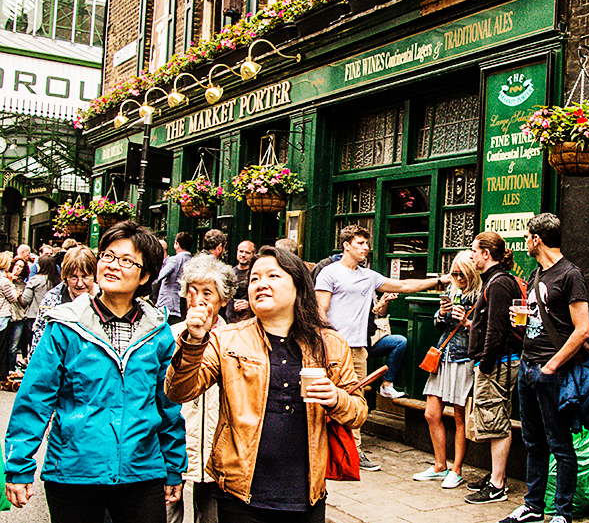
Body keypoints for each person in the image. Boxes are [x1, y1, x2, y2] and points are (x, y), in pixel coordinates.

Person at [166, 246, 368, 523]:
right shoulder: (226, 340)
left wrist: (335, 398)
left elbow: (358, 413)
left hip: (307, 495)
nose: (260, 284)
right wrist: (193, 343)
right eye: (254, 279)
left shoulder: (330, 345)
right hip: (240, 494)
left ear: (298, 285)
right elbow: (179, 391)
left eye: (272, 276)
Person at [4, 221, 187, 523]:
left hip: (141, 471)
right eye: (108, 256)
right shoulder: (65, 325)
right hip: (75, 471)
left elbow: (167, 404)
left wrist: (173, 466)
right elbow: (35, 398)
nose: (113, 266)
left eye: (127, 261)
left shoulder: (157, 332)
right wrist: (19, 466)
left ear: (145, 276)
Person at [314, 224, 450, 471]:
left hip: (358, 349)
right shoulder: (329, 273)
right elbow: (320, 309)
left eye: (367, 243)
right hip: (332, 348)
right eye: (360, 243)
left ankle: (354, 452)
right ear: (346, 245)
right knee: (326, 398)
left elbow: (405, 286)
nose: (366, 248)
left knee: (356, 398)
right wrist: (325, 342)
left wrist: (439, 280)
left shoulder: (369, 276)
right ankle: (319, 448)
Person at [499, 213, 589, 523]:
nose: (525, 242)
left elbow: (583, 329)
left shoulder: (570, 275)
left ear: (536, 239)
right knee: (533, 441)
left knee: (561, 445)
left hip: (553, 371)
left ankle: (562, 513)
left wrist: (551, 366)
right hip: (528, 365)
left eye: (527, 236)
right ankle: (533, 505)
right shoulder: (538, 274)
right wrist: (520, 326)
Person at [166, 254, 236, 523]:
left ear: (223, 298)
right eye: (192, 292)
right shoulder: (170, 336)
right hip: (174, 446)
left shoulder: (233, 340)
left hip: (216, 454)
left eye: (208, 292)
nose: (199, 300)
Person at [463, 231, 523, 505]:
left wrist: (484, 363)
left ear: (486, 254)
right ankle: (495, 476)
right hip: (498, 362)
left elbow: (497, 330)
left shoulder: (498, 283)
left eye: (474, 250)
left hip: (497, 364)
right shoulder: (496, 281)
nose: (471, 255)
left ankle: (497, 484)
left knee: (496, 421)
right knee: (493, 418)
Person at [413, 251, 481, 489]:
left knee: (460, 416)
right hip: (443, 356)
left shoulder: (480, 295)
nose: (459, 278)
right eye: (455, 273)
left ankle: (457, 469)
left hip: (464, 360)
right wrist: (442, 314)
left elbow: (485, 331)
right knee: (431, 413)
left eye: (463, 274)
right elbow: (438, 324)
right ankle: (440, 465)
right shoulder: (451, 291)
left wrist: (467, 323)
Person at [27, 245, 97, 363]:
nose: (80, 284)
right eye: (73, 278)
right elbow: (39, 345)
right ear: (65, 277)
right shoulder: (53, 301)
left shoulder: (105, 299)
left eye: (85, 277)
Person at [14, 255, 58, 369]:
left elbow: (25, 300)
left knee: (33, 345)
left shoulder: (34, 280)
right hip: (53, 317)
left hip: (34, 316)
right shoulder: (57, 281)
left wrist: (18, 295)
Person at [367, 292, 408, 399]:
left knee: (400, 342)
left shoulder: (371, 290)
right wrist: (379, 305)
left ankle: (387, 384)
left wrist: (385, 302)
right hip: (357, 342)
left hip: (372, 339)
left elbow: (379, 314)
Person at [152, 232, 194, 323]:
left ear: (177, 245)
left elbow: (159, 276)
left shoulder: (174, 260)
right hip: (183, 306)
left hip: (167, 304)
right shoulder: (192, 261)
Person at [0, 252, 22, 382]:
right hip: (3, 315)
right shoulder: (4, 281)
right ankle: (2, 374)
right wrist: (16, 290)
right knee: (3, 347)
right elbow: (12, 298)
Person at [226, 240, 255, 323]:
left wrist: (250, 305)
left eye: (247, 253)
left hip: (248, 321)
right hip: (229, 320)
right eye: (241, 251)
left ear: (253, 255)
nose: (243, 255)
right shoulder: (229, 273)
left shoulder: (255, 274)